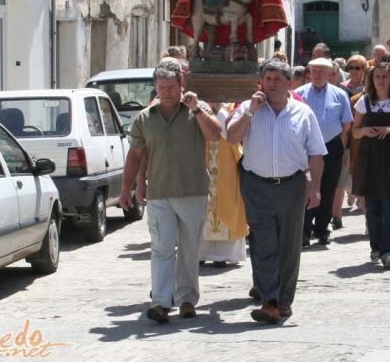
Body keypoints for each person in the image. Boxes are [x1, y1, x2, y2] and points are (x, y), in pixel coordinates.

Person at [118, 63, 221, 324]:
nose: (165, 92)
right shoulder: (145, 118)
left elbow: (215, 134)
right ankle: (161, 302)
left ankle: (186, 299)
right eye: (161, 88)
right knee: (161, 249)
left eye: (170, 88)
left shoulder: (196, 109)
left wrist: (197, 109)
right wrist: (128, 186)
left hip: (193, 190)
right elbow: (136, 155)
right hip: (160, 192)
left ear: (181, 85)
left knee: (189, 249)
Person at [227, 59, 327, 324]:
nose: (272, 84)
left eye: (277, 79)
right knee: (262, 244)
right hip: (256, 185)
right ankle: (269, 300)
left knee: (289, 245)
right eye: (267, 79)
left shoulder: (303, 113)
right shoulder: (249, 109)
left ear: (289, 83)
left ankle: (284, 301)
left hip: (292, 186)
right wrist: (249, 112)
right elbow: (231, 138)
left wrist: (314, 187)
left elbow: (316, 153)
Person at [352, 63, 390, 267]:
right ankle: (375, 248)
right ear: (372, 79)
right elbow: (355, 131)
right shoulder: (364, 102)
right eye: (377, 76)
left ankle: (389, 249)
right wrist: (365, 131)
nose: (380, 80)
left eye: (384, 77)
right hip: (369, 159)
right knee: (372, 207)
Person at [296, 57, 353, 246]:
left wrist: (342, 150)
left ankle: (321, 229)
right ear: (309, 73)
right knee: (307, 186)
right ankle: (303, 231)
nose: (317, 74)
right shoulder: (298, 94)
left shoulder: (339, 95)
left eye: (322, 71)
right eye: (314, 70)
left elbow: (346, 125)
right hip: (306, 147)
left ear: (330, 74)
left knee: (329, 187)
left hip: (332, 146)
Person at [199, 103, 248, 268]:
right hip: (202, 160)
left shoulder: (230, 107)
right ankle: (200, 253)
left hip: (226, 162)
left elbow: (230, 133)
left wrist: (221, 111)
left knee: (228, 201)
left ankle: (223, 254)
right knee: (202, 207)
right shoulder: (197, 106)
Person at [332, 54, 367, 229]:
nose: (353, 71)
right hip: (347, 139)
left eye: (357, 68)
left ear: (364, 70)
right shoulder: (342, 89)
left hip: (362, 141)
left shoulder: (369, 90)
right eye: (350, 68)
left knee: (361, 176)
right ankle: (336, 216)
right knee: (341, 178)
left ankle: (365, 209)